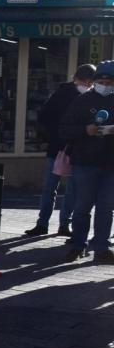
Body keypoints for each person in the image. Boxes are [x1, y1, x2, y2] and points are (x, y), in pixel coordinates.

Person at [25, 63, 95, 237]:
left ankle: (62, 224)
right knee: (53, 187)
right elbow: (45, 117)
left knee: (69, 188)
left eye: (89, 83)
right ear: (77, 79)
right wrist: (57, 136)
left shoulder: (90, 97)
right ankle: (45, 223)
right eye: (84, 82)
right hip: (60, 147)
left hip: (75, 148)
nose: (86, 86)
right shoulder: (62, 94)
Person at [59, 60, 114, 264]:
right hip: (85, 162)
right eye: (102, 79)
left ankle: (101, 247)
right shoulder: (82, 101)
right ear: (95, 80)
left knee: (106, 207)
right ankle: (78, 245)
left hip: (110, 164)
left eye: (110, 81)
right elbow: (64, 129)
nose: (106, 83)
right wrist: (85, 130)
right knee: (82, 206)